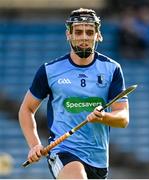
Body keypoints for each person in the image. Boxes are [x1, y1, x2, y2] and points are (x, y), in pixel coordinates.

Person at [19, 8, 129, 179]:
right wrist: (34, 145)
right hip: (63, 151)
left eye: (89, 32)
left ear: (97, 35)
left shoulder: (112, 69)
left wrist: (104, 117)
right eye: (78, 32)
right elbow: (26, 109)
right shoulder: (50, 71)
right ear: (68, 35)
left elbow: (123, 118)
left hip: (98, 159)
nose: (84, 37)